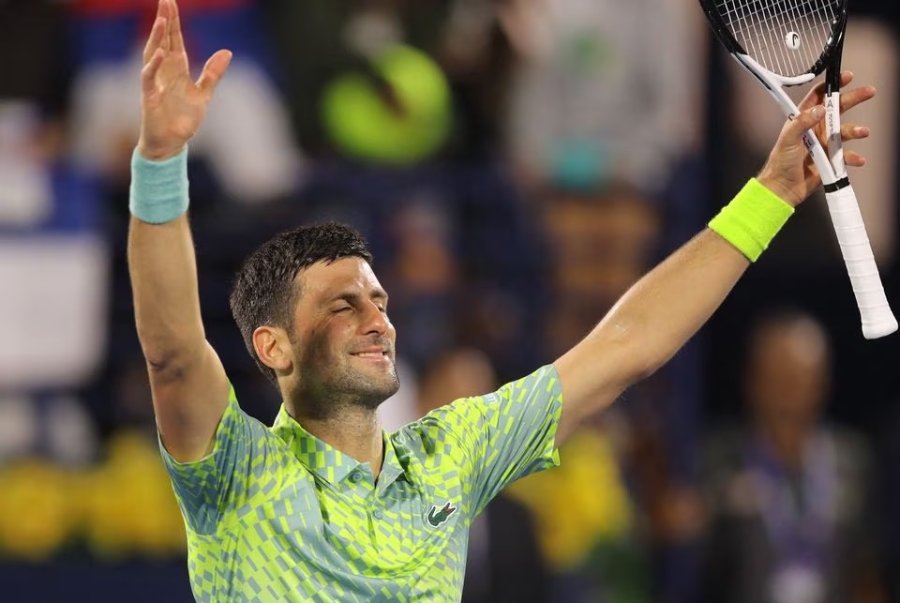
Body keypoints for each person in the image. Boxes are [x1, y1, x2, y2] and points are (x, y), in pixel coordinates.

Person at [129, 1, 876, 600]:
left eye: (379, 299)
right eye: (342, 305)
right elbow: (173, 354)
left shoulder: (451, 455)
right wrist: (161, 163)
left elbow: (628, 345)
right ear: (274, 346)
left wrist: (770, 194)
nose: (377, 318)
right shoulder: (238, 472)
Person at [699, 311, 882, 603]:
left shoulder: (852, 460)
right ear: (752, 380)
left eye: (800, 379)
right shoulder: (717, 460)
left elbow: (866, 566)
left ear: (823, 382)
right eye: (778, 378)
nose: (788, 393)